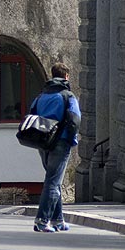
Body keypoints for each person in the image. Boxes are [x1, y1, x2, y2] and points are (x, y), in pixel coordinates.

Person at [31, 62, 81, 233]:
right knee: (53, 182)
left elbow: (32, 116)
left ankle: (58, 220)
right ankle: (42, 220)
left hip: (43, 143)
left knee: (53, 180)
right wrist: (70, 138)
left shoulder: (41, 96)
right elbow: (75, 120)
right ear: (66, 76)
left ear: (53, 76)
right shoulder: (68, 96)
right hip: (61, 141)